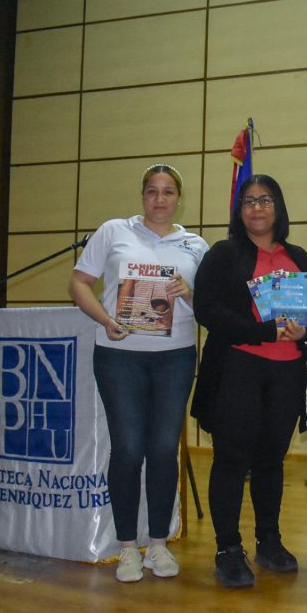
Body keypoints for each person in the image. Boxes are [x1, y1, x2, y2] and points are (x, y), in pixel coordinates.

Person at [70, 163, 208, 583]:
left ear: (178, 198)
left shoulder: (196, 246)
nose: (160, 199)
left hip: (175, 357)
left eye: (168, 191)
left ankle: (159, 545)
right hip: (119, 356)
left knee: (164, 449)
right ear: (142, 196)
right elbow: (79, 283)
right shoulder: (114, 231)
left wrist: (190, 293)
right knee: (128, 449)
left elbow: (210, 308)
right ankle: (128, 548)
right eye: (152, 191)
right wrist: (105, 319)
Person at [190, 174, 307, 589]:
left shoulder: (298, 256)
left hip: (286, 373)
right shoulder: (223, 254)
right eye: (249, 201)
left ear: (277, 207)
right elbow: (207, 310)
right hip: (237, 370)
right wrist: (262, 330)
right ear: (239, 210)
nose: (257, 208)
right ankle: (228, 548)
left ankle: (270, 540)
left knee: (271, 461)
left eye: (265, 200)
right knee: (231, 461)